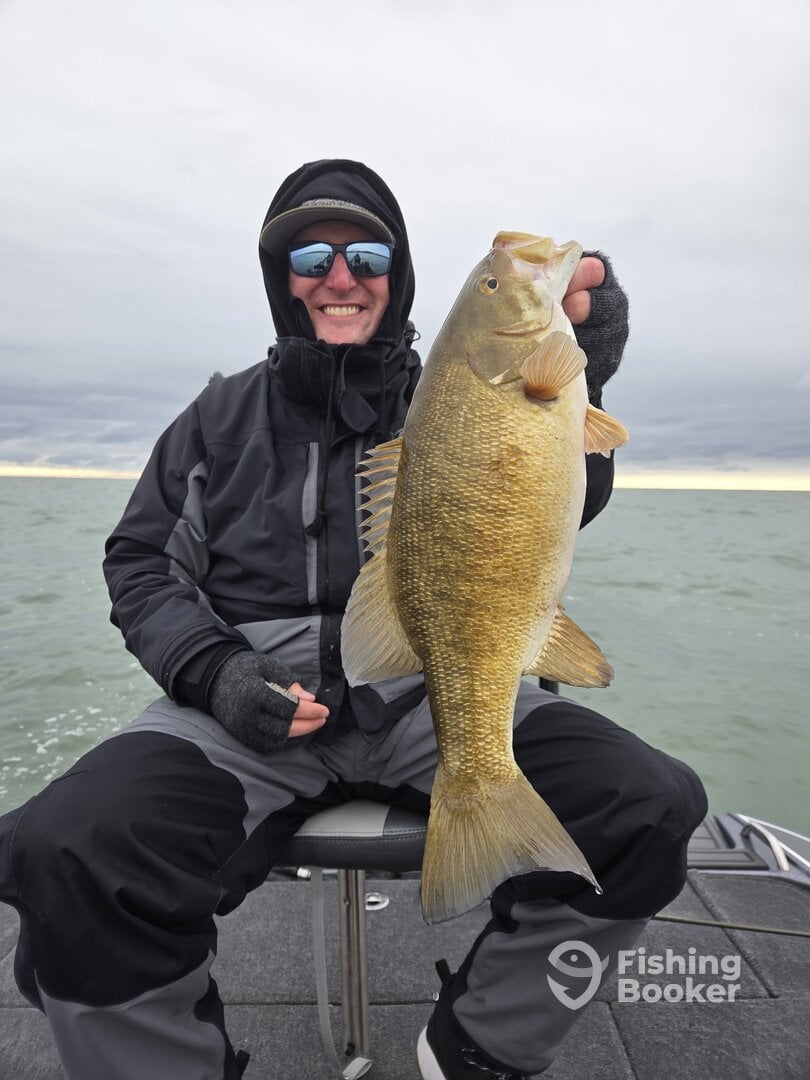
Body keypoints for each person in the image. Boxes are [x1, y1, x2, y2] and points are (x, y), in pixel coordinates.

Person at [0, 159, 707, 1080]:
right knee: (69, 849)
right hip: (246, 709)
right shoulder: (213, 417)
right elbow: (138, 563)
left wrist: (586, 381)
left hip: (432, 687)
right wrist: (217, 673)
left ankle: (479, 1046)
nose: (339, 276)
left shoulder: (456, 387)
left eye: (366, 252)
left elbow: (549, 503)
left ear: (400, 270)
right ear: (280, 279)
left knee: (649, 803)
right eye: (309, 256)